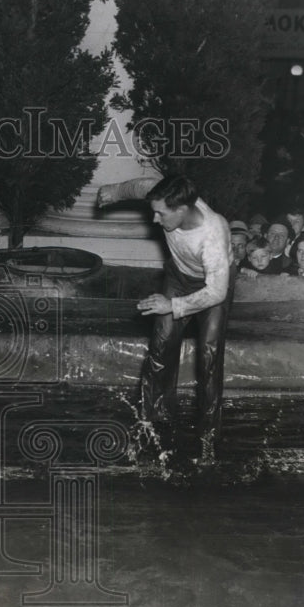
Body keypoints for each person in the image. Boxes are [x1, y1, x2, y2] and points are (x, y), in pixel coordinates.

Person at [98, 174, 234, 462]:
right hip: (178, 276)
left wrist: (172, 305)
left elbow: (217, 292)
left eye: (161, 213)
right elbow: (141, 185)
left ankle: (209, 437)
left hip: (212, 289)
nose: (155, 220)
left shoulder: (213, 234)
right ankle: (153, 424)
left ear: (182, 210)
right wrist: (114, 190)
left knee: (208, 358)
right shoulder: (169, 196)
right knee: (160, 348)